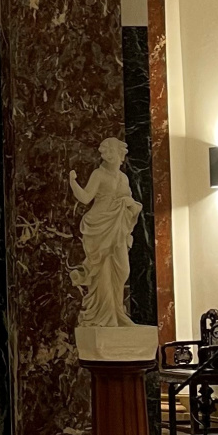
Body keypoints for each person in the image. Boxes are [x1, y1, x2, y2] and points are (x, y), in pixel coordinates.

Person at [67, 136, 143, 328]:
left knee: (123, 270)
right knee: (102, 271)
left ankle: (118, 312)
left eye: (113, 152)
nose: (109, 156)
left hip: (117, 227)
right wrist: (73, 182)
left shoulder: (123, 178)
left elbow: (131, 204)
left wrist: (130, 204)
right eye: (106, 152)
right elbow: (86, 198)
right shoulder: (98, 174)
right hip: (98, 226)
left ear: (120, 154)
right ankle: (105, 316)